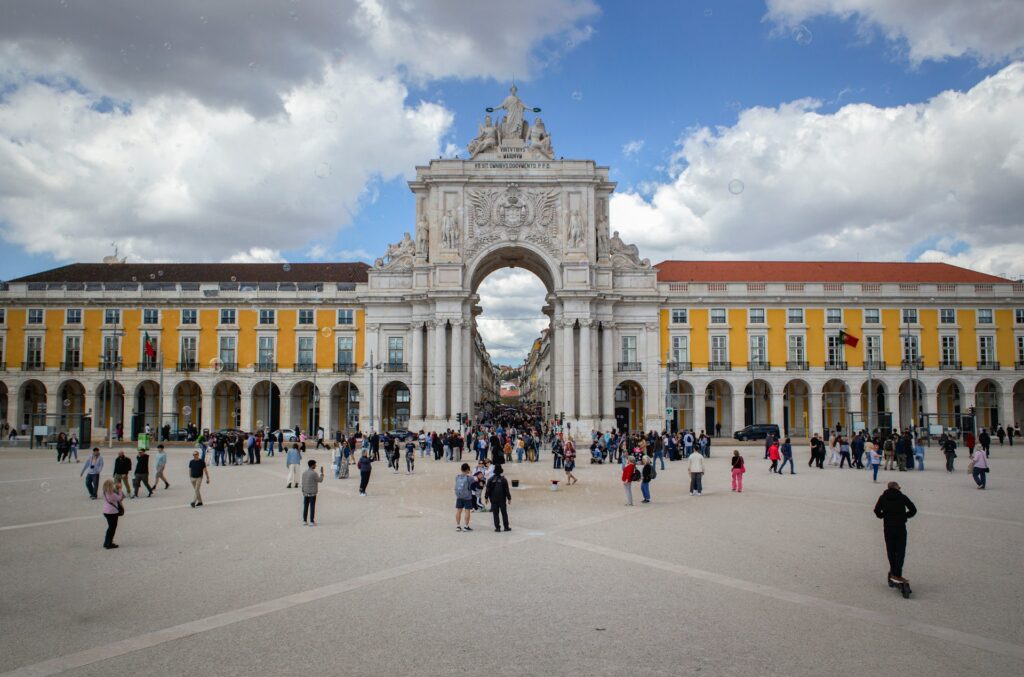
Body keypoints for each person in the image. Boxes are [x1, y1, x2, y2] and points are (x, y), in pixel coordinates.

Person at [873, 481, 917, 584]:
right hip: (900, 527)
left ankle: (894, 572)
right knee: (900, 551)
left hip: (888, 527)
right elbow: (913, 510)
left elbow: (877, 511)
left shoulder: (883, 497)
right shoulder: (902, 497)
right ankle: (897, 574)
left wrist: (884, 516)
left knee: (891, 550)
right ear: (896, 488)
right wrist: (905, 516)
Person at [484, 466, 511, 532]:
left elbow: (487, 489)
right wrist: (509, 498)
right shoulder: (504, 479)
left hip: (493, 499)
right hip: (502, 499)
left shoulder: (490, 479)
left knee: (495, 513)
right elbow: (507, 490)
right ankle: (506, 527)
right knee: (504, 513)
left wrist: (486, 497)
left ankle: (497, 528)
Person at [101, 478, 124, 549]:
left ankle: (106, 542)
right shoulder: (112, 494)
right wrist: (120, 489)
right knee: (112, 528)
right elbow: (120, 498)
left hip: (106, 511)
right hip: (112, 512)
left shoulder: (105, 492)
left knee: (110, 527)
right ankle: (109, 543)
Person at [301, 459, 324, 526]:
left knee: (305, 506)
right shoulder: (314, 473)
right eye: (315, 464)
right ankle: (311, 521)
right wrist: (322, 474)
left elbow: (303, 483)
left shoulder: (304, 473)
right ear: (312, 465)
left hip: (305, 492)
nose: (316, 466)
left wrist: (303, 490)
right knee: (312, 507)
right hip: (312, 493)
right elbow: (320, 480)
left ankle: (304, 520)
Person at [454, 463, 476, 532]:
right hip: (467, 496)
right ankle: (466, 526)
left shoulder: (457, 477)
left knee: (459, 511)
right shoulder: (469, 478)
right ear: (467, 469)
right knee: (467, 511)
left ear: (461, 469)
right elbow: (475, 481)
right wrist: (471, 473)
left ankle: (458, 525)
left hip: (459, 496)